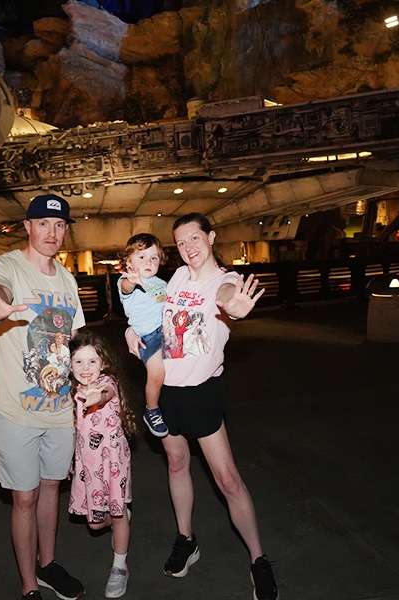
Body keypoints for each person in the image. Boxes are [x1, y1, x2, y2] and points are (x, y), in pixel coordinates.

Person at [126, 212, 279, 600]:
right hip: (167, 393)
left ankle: (258, 559)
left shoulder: (223, 280)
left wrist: (237, 307)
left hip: (201, 391)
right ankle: (186, 539)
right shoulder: (175, 278)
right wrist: (131, 329)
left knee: (227, 479)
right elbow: (151, 314)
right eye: (181, 243)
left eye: (195, 238)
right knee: (176, 464)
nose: (189, 248)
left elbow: (229, 299)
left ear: (210, 236)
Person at [0, 194, 86, 600]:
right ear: (27, 226)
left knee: (52, 487)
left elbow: (77, 340)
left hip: (60, 406)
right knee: (25, 497)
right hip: (16, 408)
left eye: (60, 225)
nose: (52, 233)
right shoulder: (6, 267)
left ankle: (48, 565)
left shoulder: (67, 279)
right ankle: (29, 585)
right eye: (43, 224)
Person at [67, 331, 138, 598]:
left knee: (117, 515)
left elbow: (106, 393)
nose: (86, 369)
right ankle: (121, 522)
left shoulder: (107, 384)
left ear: (103, 363)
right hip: (88, 467)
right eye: (78, 362)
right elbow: (77, 431)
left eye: (92, 361)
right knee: (95, 524)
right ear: (70, 365)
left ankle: (120, 566)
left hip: (113, 465)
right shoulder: (73, 392)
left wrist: (96, 397)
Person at [117, 233, 169, 437]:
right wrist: (132, 280)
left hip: (167, 333)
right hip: (148, 337)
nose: (149, 262)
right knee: (156, 374)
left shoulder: (162, 284)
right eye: (141, 257)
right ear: (129, 261)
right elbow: (125, 288)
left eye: (154, 258)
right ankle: (152, 409)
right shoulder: (128, 280)